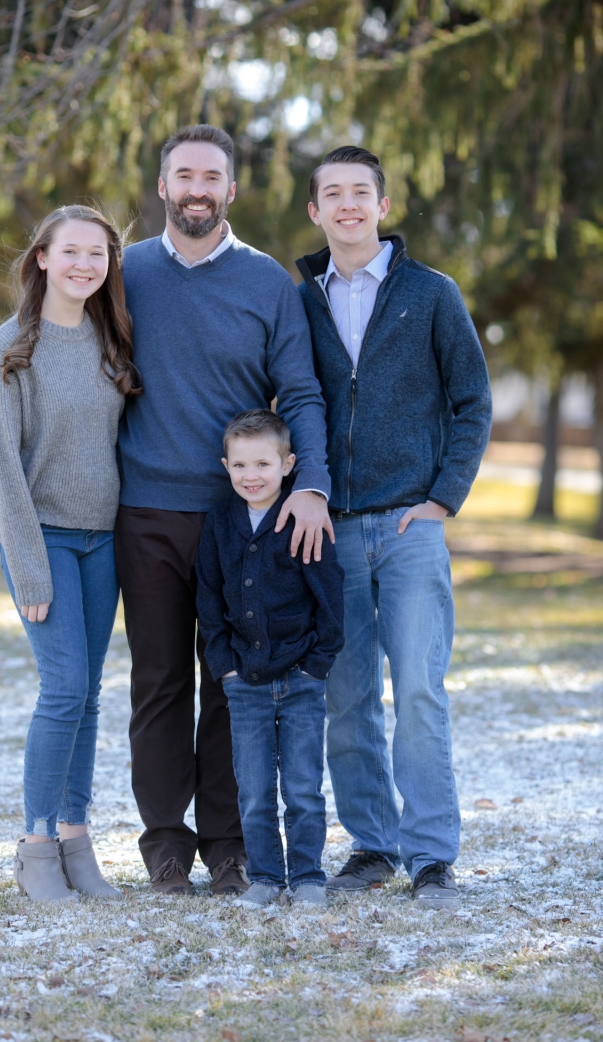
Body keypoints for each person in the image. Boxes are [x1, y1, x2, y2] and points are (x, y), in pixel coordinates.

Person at [115, 124, 333, 895]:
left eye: (211, 176)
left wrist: (311, 486)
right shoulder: (126, 270)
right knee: (162, 679)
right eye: (183, 175)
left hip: (241, 524)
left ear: (231, 190)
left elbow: (300, 391)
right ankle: (166, 845)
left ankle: (230, 843)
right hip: (145, 512)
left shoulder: (268, 282)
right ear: (164, 185)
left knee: (233, 682)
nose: (197, 189)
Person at [296, 145, 492, 907]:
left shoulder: (431, 294)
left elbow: (472, 402)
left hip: (411, 527)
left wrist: (443, 497)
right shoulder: (301, 300)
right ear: (314, 211)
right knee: (347, 697)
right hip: (333, 530)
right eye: (333, 194)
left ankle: (433, 854)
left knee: (418, 691)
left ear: (382, 205)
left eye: (361, 193)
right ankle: (373, 845)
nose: (348, 205)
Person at [0, 204, 141, 903]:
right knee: (64, 687)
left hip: (104, 540)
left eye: (97, 254)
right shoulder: (13, 345)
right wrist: (29, 562)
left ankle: (75, 836)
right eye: (70, 252)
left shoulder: (111, 338)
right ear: (42, 258)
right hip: (44, 541)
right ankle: (35, 844)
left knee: (89, 694)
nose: (84, 265)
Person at [196, 410, 344, 908]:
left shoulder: (301, 519)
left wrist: (316, 664)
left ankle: (307, 877)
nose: (251, 475)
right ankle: (263, 877)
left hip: (302, 678)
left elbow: (331, 597)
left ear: (288, 464)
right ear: (226, 465)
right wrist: (226, 668)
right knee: (255, 790)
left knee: (303, 788)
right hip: (246, 684)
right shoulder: (219, 523)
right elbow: (209, 601)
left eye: (263, 462)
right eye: (240, 465)